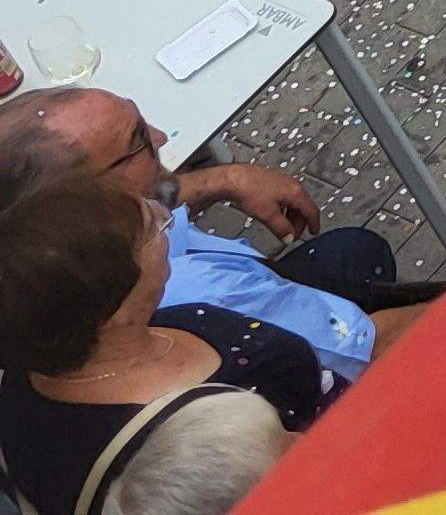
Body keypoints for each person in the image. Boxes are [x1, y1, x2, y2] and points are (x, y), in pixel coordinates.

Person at [0, 86, 418, 392]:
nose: (160, 136)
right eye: (138, 141)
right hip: (342, 394)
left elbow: (160, 200)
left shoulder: (41, 259)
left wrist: (226, 178)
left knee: (355, 250)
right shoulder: (210, 296)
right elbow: (367, 352)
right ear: (94, 201)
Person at [0, 168, 319, 515]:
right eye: (152, 229)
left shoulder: (28, 369)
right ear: (114, 306)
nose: (166, 215)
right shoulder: (194, 443)